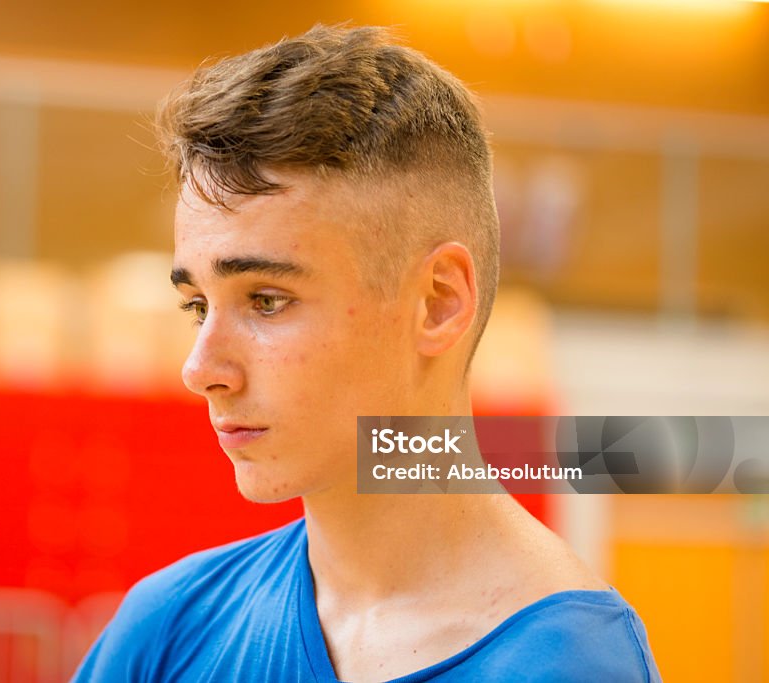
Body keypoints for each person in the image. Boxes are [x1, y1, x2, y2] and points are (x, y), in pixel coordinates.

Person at [72, 24, 661, 682]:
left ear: (438, 301)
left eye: (267, 300)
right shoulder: (165, 627)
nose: (200, 369)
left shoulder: (569, 664)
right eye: (197, 305)